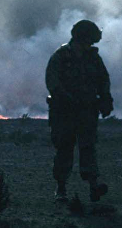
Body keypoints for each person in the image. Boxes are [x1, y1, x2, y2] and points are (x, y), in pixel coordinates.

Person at [46, 19, 113, 202]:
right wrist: (65, 98)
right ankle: (61, 189)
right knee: (64, 148)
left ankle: (93, 185)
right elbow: (52, 82)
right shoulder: (61, 56)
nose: (90, 44)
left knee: (88, 147)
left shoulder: (93, 57)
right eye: (88, 40)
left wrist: (105, 97)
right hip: (65, 112)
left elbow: (103, 78)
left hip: (86, 111)